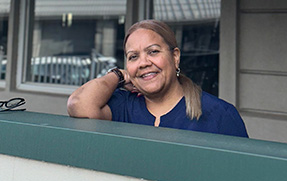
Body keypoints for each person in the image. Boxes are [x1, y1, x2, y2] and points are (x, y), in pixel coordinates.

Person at [67, 19, 248, 137]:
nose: (143, 62)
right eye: (133, 57)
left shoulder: (219, 115)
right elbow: (78, 104)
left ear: (175, 57)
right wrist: (119, 75)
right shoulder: (122, 106)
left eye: (153, 51)